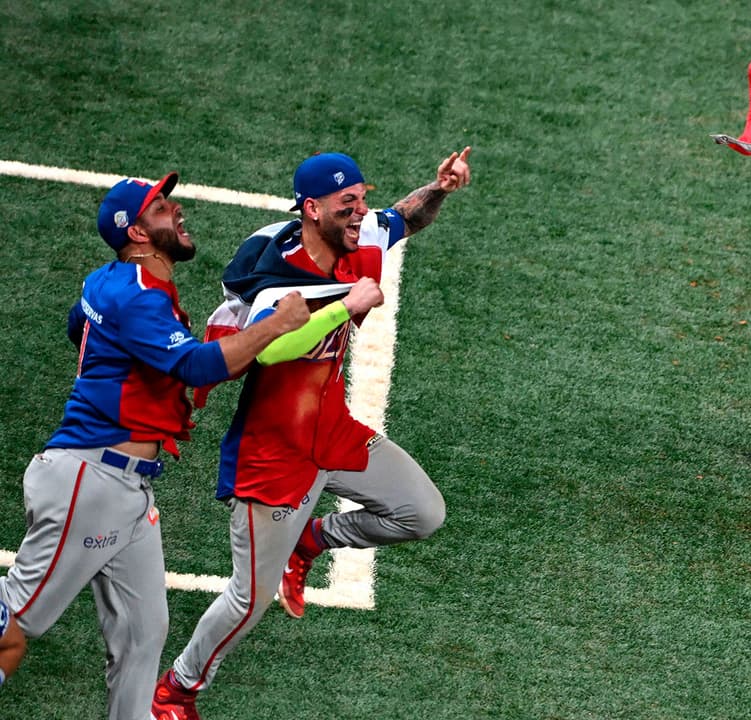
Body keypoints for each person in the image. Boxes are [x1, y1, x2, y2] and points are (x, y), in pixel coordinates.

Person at [152, 148, 471, 719]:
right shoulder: (275, 277)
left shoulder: (363, 235)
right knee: (249, 599)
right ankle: (177, 687)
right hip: (273, 453)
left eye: (362, 199)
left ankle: (313, 539)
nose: (361, 212)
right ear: (312, 209)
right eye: (348, 203)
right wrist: (342, 306)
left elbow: (405, 216)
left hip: (333, 430)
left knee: (422, 512)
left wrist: (441, 187)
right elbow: (270, 351)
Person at [0, 173, 308, 718]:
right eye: (163, 207)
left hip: (126, 488)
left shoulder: (110, 282)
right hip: (89, 480)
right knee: (9, 629)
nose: (178, 210)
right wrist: (276, 325)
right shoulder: (138, 295)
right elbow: (192, 365)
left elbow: (83, 328)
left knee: (144, 634)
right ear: (138, 232)